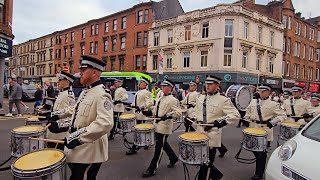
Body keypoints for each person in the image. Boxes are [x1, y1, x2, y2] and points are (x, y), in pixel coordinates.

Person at [47, 55, 113, 180]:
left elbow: (105, 123)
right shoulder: (85, 92)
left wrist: (78, 137)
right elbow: (77, 118)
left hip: (90, 150)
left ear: (94, 72)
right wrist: (60, 125)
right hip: (80, 148)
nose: (80, 73)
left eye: (83, 70)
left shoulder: (102, 94)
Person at [192, 75, 240, 180]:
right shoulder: (201, 98)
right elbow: (196, 112)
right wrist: (190, 117)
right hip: (199, 134)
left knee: (205, 164)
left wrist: (221, 122)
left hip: (212, 136)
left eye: (210, 84)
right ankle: (216, 175)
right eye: (206, 83)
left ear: (217, 85)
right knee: (201, 161)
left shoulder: (223, 100)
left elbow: (235, 115)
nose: (207, 86)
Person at [244, 84, 286, 180]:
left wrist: (273, 122)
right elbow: (248, 112)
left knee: (261, 153)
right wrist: (246, 119)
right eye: (260, 90)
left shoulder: (273, 104)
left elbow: (282, 115)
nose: (261, 92)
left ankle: (259, 174)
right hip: (253, 128)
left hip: (265, 130)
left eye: (263, 91)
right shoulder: (253, 101)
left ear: (269, 92)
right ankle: (261, 165)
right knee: (254, 149)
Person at [141, 79, 181, 178]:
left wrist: (167, 115)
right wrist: (149, 112)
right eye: (162, 86)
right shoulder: (160, 98)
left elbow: (178, 113)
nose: (162, 87)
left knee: (158, 148)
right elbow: (156, 110)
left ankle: (152, 168)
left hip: (164, 127)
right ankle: (173, 158)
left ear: (170, 87)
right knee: (163, 144)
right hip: (157, 125)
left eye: (165, 86)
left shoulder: (173, 100)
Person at [44, 71, 76, 150]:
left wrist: (55, 115)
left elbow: (71, 110)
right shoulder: (62, 93)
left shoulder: (69, 94)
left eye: (60, 80)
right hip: (54, 130)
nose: (58, 81)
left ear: (67, 82)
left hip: (60, 132)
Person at [125, 77, 153, 155]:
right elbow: (135, 102)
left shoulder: (146, 92)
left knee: (139, 131)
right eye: (140, 82)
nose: (139, 83)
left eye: (141, 82)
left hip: (142, 114)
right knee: (141, 131)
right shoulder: (139, 92)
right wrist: (130, 106)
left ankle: (135, 147)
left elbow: (151, 102)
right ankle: (147, 143)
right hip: (137, 114)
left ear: (145, 84)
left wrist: (142, 107)